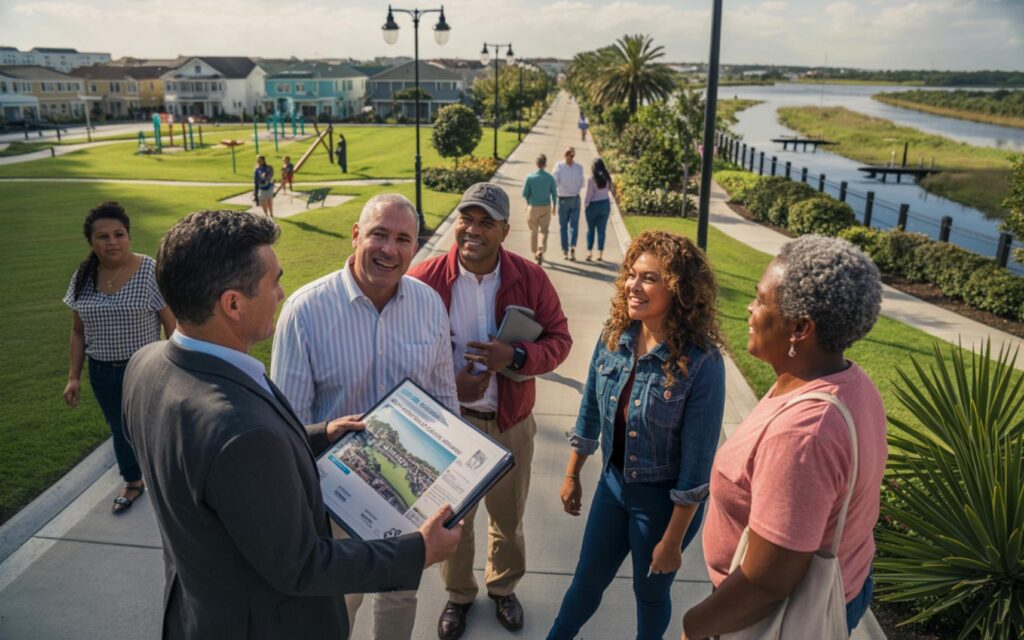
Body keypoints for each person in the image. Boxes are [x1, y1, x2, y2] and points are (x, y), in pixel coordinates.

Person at [123, 209, 462, 640]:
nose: (281, 293)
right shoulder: (244, 434)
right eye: (273, 283)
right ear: (232, 303)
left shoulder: (145, 366)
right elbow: (302, 565)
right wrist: (420, 550)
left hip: (198, 610)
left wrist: (319, 435)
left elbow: (215, 467)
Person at [271, 193, 459, 640]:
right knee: (337, 604)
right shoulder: (305, 311)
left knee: (399, 595)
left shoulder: (429, 304)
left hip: (410, 492)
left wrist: (456, 489)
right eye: (378, 234)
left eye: (403, 239)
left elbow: (444, 398)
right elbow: (288, 424)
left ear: (415, 248)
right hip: (334, 499)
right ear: (356, 235)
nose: (389, 249)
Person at [681, 235, 887, 640]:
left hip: (769, 615)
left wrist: (695, 627)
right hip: (846, 584)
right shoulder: (847, 381)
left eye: (760, 300)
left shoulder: (804, 436)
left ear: (800, 328)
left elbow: (768, 580)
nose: (750, 309)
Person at [409, 183, 573, 640]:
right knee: (452, 522)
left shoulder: (530, 278)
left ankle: (503, 588)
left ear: (504, 229)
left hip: (511, 424)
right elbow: (403, 358)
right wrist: (448, 385)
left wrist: (516, 357)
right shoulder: (423, 280)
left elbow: (559, 342)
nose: (473, 230)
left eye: (486, 222)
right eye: (466, 219)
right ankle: (458, 595)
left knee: (508, 519)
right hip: (450, 427)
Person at [548, 230, 725, 640]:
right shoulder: (615, 337)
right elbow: (589, 409)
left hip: (663, 504)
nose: (633, 285)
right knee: (585, 584)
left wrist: (673, 540)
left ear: (679, 290)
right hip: (612, 487)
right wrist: (573, 474)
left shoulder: (701, 363)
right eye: (632, 274)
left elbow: (697, 464)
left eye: (649, 278)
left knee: (649, 595)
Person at [62, 201, 176, 513]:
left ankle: (170, 482)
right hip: (101, 371)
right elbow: (78, 332)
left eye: (119, 234)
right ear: (91, 242)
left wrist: (178, 367)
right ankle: (133, 481)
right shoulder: (84, 276)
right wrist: (74, 376)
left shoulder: (150, 271)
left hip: (144, 368)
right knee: (119, 428)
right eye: (103, 237)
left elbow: (171, 323)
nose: (112, 242)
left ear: (128, 236)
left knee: (151, 427)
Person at [521, 153, 558, 265]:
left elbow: (525, 193)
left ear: (537, 163)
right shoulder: (550, 178)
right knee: (544, 230)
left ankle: (535, 253)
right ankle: (540, 249)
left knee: (533, 231)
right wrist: (554, 206)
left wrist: (528, 204)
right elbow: (554, 193)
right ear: (545, 164)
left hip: (533, 207)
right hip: (545, 207)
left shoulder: (530, 177)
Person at [552, 147, 585, 261]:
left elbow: (555, 182)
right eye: (568, 154)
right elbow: (581, 183)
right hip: (568, 198)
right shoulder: (561, 167)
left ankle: (569, 249)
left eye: (571, 155)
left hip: (569, 199)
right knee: (568, 226)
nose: (569, 157)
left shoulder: (566, 167)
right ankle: (568, 248)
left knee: (569, 226)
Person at [583, 158, 616, 263]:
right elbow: (613, 190)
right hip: (604, 204)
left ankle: (589, 252)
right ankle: (600, 253)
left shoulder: (591, 179)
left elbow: (589, 194)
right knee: (601, 231)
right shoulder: (607, 177)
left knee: (591, 230)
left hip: (593, 205)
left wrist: (586, 205)